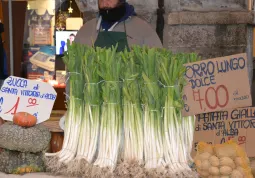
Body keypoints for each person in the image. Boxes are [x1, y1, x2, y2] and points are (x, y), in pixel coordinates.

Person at [59, 0, 162, 129]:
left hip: (131, 118)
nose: (105, 3)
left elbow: (157, 71)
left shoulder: (143, 31)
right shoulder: (86, 31)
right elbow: (72, 73)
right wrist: (72, 106)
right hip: (91, 116)